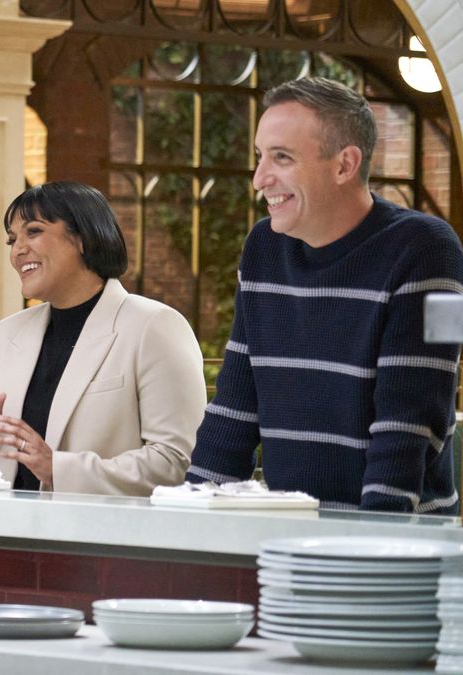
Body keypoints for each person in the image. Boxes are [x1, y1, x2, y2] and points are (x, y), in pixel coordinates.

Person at [186, 77, 463, 514]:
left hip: (398, 545)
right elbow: (236, 405)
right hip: (291, 532)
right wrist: (191, 513)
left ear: (344, 164)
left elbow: (409, 422)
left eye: (282, 158)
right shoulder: (264, 247)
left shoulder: (428, 248)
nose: (260, 178)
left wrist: (373, 541)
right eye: (261, 156)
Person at [0, 181, 206, 495]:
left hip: (100, 540)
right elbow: (6, 474)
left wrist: (58, 469)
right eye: (12, 239)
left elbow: (179, 462)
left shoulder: (154, 326)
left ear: (84, 238)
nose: (18, 250)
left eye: (33, 232)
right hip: (12, 536)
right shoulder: (8, 334)